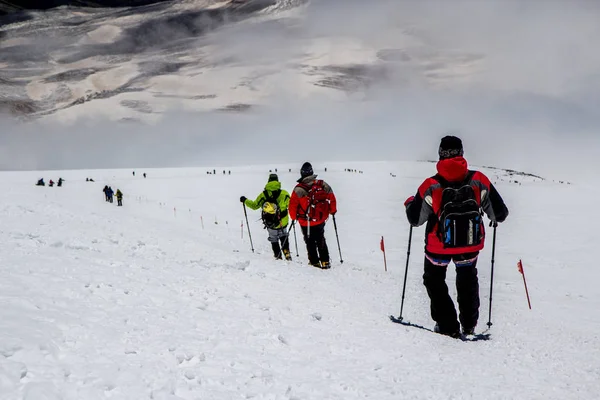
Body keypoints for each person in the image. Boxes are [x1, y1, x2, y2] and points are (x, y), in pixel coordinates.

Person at [404, 136, 509, 338]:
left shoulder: (431, 185)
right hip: (470, 243)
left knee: (434, 280)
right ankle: (469, 325)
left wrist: (410, 202)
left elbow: (415, 219)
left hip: (438, 246)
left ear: (440, 154)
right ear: (461, 153)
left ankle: (447, 325)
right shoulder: (479, 180)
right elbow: (500, 214)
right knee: (467, 279)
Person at [289, 162, 337, 269]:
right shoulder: (322, 184)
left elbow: (292, 206)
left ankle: (314, 262)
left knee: (309, 240)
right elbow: (332, 197)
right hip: (320, 219)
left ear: (302, 173)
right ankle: (325, 262)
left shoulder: (298, 189)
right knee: (320, 238)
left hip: (305, 222)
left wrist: (294, 217)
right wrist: (332, 211)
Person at [241, 174, 292, 260]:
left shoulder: (263, 195)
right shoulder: (284, 193)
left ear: (268, 181)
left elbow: (254, 206)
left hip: (270, 222)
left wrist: (245, 200)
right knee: (283, 235)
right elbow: (291, 206)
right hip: (282, 221)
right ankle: (286, 252)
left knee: (273, 238)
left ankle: (277, 255)